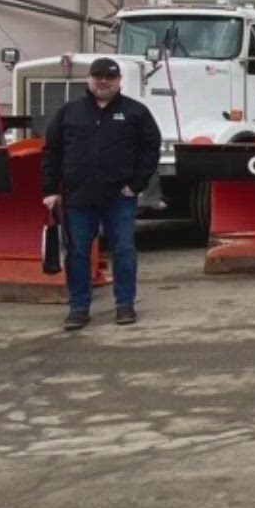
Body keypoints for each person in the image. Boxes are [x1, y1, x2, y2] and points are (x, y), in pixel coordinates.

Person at [42, 57, 162, 329]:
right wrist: (50, 189)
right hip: (78, 197)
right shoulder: (69, 112)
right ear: (89, 80)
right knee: (78, 252)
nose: (103, 81)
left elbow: (150, 150)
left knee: (123, 250)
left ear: (119, 81)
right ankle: (79, 308)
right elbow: (52, 151)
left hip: (119, 197)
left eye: (109, 77)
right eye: (98, 77)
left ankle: (125, 304)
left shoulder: (136, 113)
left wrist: (136, 185)